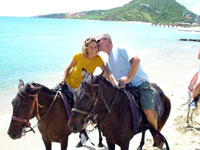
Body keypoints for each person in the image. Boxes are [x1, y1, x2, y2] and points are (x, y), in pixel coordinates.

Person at [96, 33, 164, 148]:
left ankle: (155, 134)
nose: (96, 43)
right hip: (124, 89)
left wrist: (128, 78)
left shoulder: (120, 48)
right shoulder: (109, 60)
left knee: (148, 110)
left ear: (107, 40)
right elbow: (107, 75)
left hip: (140, 84)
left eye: (98, 41)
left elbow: (136, 60)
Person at [62, 37, 114, 147]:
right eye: (91, 47)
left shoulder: (98, 59)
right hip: (68, 84)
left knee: (82, 111)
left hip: (82, 90)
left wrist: (113, 84)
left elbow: (106, 72)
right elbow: (68, 69)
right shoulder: (78, 56)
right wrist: (62, 79)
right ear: (86, 48)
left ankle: (83, 135)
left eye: (96, 47)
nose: (94, 49)